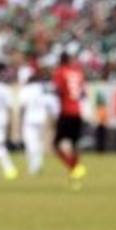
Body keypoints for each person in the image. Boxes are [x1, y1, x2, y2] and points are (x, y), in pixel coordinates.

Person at [51, 52, 87, 183]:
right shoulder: (78, 73)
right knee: (74, 144)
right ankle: (75, 170)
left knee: (55, 144)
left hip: (66, 111)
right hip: (78, 112)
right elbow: (83, 93)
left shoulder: (60, 72)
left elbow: (58, 90)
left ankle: (73, 167)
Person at [20, 77, 58, 175]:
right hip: (41, 119)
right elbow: (52, 105)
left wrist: (21, 119)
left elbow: (22, 106)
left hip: (29, 120)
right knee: (39, 144)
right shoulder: (43, 89)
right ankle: (38, 165)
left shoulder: (26, 90)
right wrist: (54, 120)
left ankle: (33, 167)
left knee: (30, 144)